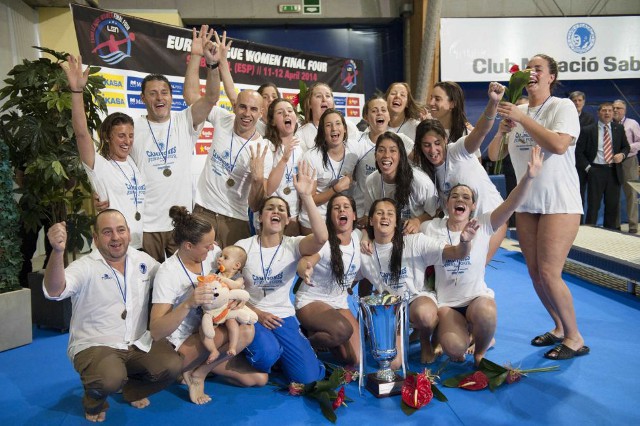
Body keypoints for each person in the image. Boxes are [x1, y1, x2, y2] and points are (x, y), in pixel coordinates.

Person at [487, 53, 588, 360]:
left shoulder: (562, 106)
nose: (531, 72)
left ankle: (574, 338)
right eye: (528, 68)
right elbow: (493, 156)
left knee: (549, 271)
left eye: (538, 68)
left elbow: (558, 145)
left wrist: (522, 119)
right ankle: (558, 327)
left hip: (560, 201)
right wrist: (503, 130)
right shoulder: (516, 110)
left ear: (550, 77)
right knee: (534, 272)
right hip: (526, 201)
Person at [43, 210, 181, 422]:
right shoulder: (84, 267)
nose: (116, 237)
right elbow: (54, 291)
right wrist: (57, 252)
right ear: (95, 238)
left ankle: (130, 389)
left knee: (172, 366)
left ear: (128, 233)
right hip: (95, 344)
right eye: (107, 232)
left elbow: (171, 279)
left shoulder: (143, 261)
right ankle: (94, 400)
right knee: (109, 379)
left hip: (136, 343)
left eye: (120, 230)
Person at [425, 146, 543, 366]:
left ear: (473, 206)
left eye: (466, 197)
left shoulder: (484, 224)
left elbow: (511, 204)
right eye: (454, 196)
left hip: (476, 299)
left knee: (487, 312)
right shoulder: (430, 228)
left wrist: (528, 178)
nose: (460, 200)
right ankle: (464, 332)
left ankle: (480, 350)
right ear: (447, 203)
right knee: (455, 351)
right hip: (447, 304)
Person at [150, 206, 266, 405]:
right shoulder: (167, 273)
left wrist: (236, 294)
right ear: (188, 246)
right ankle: (196, 373)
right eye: (207, 245)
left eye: (213, 243)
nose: (214, 249)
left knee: (258, 380)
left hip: (214, 330)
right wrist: (188, 303)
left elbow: (230, 278)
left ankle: (198, 371)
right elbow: (156, 331)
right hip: (183, 343)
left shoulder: (213, 255)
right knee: (246, 333)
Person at [130, 25, 219, 261]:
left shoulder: (185, 120)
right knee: (148, 285)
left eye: (164, 92)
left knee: (181, 284)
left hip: (179, 225)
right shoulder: (132, 127)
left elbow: (211, 97)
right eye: (152, 93)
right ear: (142, 98)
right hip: (145, 224)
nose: (159, 98)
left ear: (171, 97)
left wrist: (206, 62)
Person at [235, 161, 328, 384]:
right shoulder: (243, 246)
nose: (276, 211)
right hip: (251, 315)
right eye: (270, 208)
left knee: (308, 379)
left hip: (283, 317)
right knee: (265, 356)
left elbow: (322, 238)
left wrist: (306, 197)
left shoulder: (293, 245)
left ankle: (281, 354)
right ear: (259, 217)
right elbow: (230, 292)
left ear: (287, 220)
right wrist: (258, 313)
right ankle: (263, 353)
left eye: (281, 210)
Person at [360, 198, 479, 364]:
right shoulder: (365, 251)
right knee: (392, 364)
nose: (384, 217)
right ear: (371, 221)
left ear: (396, 222)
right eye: (379, 213)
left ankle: (426, 343)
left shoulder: (415, 242)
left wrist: (465, 241)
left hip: (417, 299)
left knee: (425, 315)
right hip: (391, 310)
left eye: (390, 214)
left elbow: (457, 253)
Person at [184, 33, 272, 248]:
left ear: (261, 113)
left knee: (233, 275)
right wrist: (199, 58)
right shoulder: (223, 119)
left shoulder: (264, 149)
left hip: (236, 220)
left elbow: (254, 204)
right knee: (195, 271)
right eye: (242, 107)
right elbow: (192, 98)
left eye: (253, 109)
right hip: (202, 211)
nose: (246, 114)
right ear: (235, 106)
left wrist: (258, 179)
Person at [413, 82, 506, 263]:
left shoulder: (458, 150)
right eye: (426, 145)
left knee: (474, 273)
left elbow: (481, 131)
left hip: (492, 220)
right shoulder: (430, 173)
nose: (433, 150)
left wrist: (493, 103)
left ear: (445, 140)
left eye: (437, 144)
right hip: (467, 227)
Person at [63, 54, 145, 249]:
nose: (127, 141)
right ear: (107, 137)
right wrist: (76, 91)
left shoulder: (134, 161)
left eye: (131, 135)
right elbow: (82, 134)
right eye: (121, 136)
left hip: (139, 245)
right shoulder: (99, 164)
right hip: (112, 247)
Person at [295, 193, 361, 365]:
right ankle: (297, 345)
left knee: (354, 361)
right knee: (342, 331)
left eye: (346, 207)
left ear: (354, 215)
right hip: (311, 301)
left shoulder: (359, 237)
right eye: (336, 208)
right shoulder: (324, 243)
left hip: (339, 302)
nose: (341, 210)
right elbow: (306, 260)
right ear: (330, 216)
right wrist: (305, 269)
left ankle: (317, 331)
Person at [299, 108, 363, 234]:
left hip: (341, 219)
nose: (334, 128)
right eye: (328, 125)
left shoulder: (355, 148)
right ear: (323, 132)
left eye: (338, 123)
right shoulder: (311, 157)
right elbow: (308, 200)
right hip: (315, 219)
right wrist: (335, 189)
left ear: (345, 129)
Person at [353, 96, 414, 225]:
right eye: (374, 111)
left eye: (383, 110)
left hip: (393, 214)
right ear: (366, 116)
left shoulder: (400, 140)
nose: (379, 113)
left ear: (389, 116)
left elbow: (423, 161)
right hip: (363, 214)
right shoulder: (357, 143)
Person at [363, 131, 438, 235]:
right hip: (387, 235)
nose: (386, 155)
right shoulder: (371, 181)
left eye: (392, 150)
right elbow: (369, 217)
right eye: (381, 150)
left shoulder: (420, 182)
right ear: (375, 155)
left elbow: (436, 212)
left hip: (416, 236)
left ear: (401, 156)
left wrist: (418, 221)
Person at [575, 102, 630, 230]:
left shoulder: (619, 129)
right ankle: (590, 232)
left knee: (612, 205)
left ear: (613, 113)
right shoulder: (588, 130)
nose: (607, 113)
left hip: (613, 171)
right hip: (595, 170)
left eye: (610, 111)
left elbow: (626, 147)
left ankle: (610, 232)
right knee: (593, 205)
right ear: (598, 113)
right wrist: (588, 168)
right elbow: (578, 152)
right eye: (604, 110)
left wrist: (622, 154)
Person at [262, 98, 303, 236]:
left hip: (293, 218)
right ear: (272, 121)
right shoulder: (267, 146)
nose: (286, 114)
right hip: (271, 218)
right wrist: (284, 158)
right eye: (280, 112)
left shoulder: (302, 149)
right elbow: (268, 189)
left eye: (290, 111)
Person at [296, 82, 360, 152]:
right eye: (318, 96)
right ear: (310, 104)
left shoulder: (348, 126)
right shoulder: (301, 133)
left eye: (328, 96)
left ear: (333, 102)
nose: (324, 99)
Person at [428, 81, 480, 158]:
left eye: (437, 99)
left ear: (452, 104)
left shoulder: (466, 134)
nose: (431, 103)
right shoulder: (425, 131)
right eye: (431, 98)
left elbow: (477, 166)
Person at [612, 99, 640, 233]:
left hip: (629, 161)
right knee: (614, 195)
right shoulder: (608, 124)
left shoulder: (632, 124)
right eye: (614, 108)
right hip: (612, 163)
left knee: (631, 195)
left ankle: (633, 227)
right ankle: (616, 226)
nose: (616, 110)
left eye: (619, 108)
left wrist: (626, 149)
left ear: (625, 110)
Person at [569, 91, 596, 211]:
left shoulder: (589, 118)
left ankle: (580, 223)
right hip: (565, 157)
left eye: (580, 100)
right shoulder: (565, 115)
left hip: (581, 161)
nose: (577, 103)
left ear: (584, 102)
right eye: (574, 100)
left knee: (580, 193)